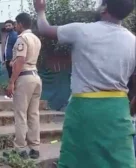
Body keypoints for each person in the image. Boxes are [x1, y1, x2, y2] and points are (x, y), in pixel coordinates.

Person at [34, 0, 136, 167]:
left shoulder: (81, 30)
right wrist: (131, 107)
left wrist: (40, 10)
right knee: (119, 160)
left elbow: (44, 29)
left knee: (77, 159)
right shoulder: (133, 41)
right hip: (117, 109)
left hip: (84, 108)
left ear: (104, 8)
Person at [6, 13, 42, 159]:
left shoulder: (22, 38)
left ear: (20, 24)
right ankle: (34, 147)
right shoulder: (36, 39)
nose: (15, 26)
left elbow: (21, 60)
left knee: (20, 114)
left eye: (16, 24)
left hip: (24, 78)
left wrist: (11, 82)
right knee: (33, 114)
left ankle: (20, 148)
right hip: (36, 77)